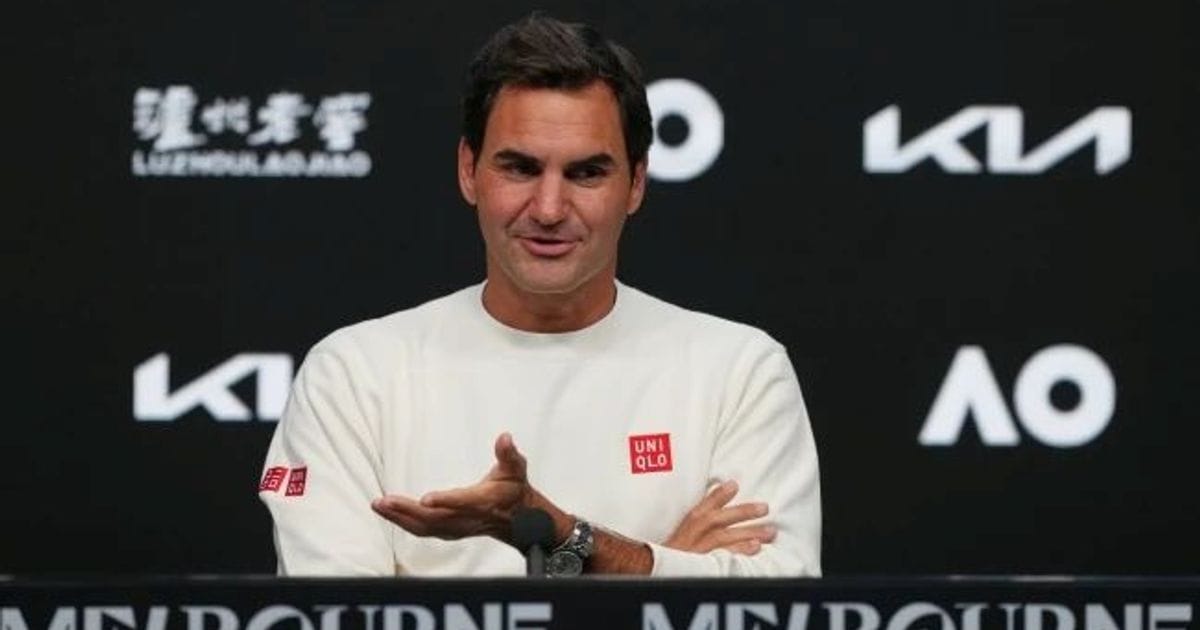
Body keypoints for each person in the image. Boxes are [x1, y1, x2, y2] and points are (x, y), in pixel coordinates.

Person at [259, 13, 821, 577]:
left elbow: (776, 604)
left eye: (586, 173)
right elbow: (335, 613)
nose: (549, 209)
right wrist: (659, 575)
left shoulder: (738, 371)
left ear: (637, 183)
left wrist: (564, 537)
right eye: (521, 168)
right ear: (469, 170)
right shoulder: (354, 376)